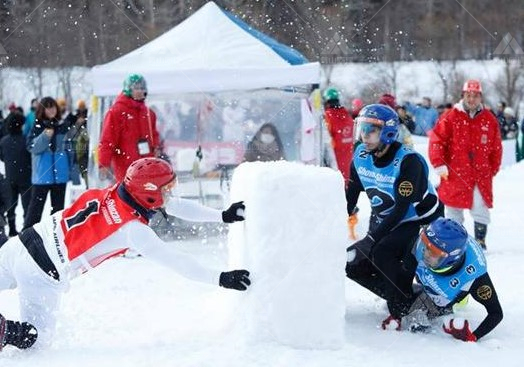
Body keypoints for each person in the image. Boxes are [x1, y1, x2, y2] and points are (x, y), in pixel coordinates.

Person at [0, 157, 251, 350]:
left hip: (22, 243)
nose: (170, 193)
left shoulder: (122, 189)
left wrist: (222, 216)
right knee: (37, 340)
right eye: (167, 188)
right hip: (41, 272)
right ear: (149, 193)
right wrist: (221, 278)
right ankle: (5, 331)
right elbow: (177, 261)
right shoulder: (133, 230)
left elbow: (173, 204)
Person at [345, 104, 443, 326]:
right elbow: (349, 196)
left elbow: (402, 209)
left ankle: (400, 306)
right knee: (351, 262)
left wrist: (370, 240)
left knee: (382, 252)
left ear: (388, 132)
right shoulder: (360, 155)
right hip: (388, 217)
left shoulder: (408, 162)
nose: (365, 135)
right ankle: (403, 295)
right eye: (363, 128)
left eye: (372, 130)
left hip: (420, 219)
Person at [392, 217, 503, 342]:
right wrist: (395, 309)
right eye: (425, 243)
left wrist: (473, 336)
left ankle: (459, 299)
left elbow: (496, 313)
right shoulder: (423, 245)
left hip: (445, 295)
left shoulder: (475, 278)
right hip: (433, 284)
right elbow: (403, 276)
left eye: (433, 252)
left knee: (415, 323)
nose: (425, 253)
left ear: (450, 259)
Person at [428, 80, 502, 250]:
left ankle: (480, 241)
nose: (471, 99)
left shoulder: (489, 120)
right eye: (468, 95)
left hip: (480, 174)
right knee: (454, 209)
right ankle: (455, 241)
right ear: (463, 96)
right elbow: (437, 141)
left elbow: (496, 147)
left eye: (475, 95)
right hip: (454, 172)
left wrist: (493, 169)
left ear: (480, 97)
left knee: (480, 208)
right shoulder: (450, 116)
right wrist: (439, 163)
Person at [98, 74, 161, 182]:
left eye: (142, 88)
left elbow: (154, 134)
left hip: (147, 166)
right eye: (136, 88)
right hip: (125, 167)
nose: (140, 91)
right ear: (128, 89)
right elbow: (108, 140)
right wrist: (104, 163)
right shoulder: (116, 112)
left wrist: (156, 147)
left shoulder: (149, 113)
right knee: (127, 196)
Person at [23, 97, 74, 229]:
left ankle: (55, 236)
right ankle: (27, 236)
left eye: (53, 107)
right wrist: (45, 136)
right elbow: (33, 148)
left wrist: (72, 171)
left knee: (57, 212)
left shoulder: (63, 126)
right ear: (42, 109)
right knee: (35, 211)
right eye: (47, 107)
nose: (51, 110)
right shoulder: (37, 126)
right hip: (42, 176)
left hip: (60, 176)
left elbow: (70, 149)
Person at [0, 111, 32, 237]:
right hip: (25, 176)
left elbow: (2, 157)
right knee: (27, 204)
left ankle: (12, 228)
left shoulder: (3, 141)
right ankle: (27, 229)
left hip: (10, 177)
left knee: (11, 204)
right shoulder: (26, 140)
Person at [322, 87, 355, 186]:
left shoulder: (328, 116)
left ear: (326, 101)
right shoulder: (347, 115)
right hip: (348, 159)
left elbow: (326, 139)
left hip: (334, 160)